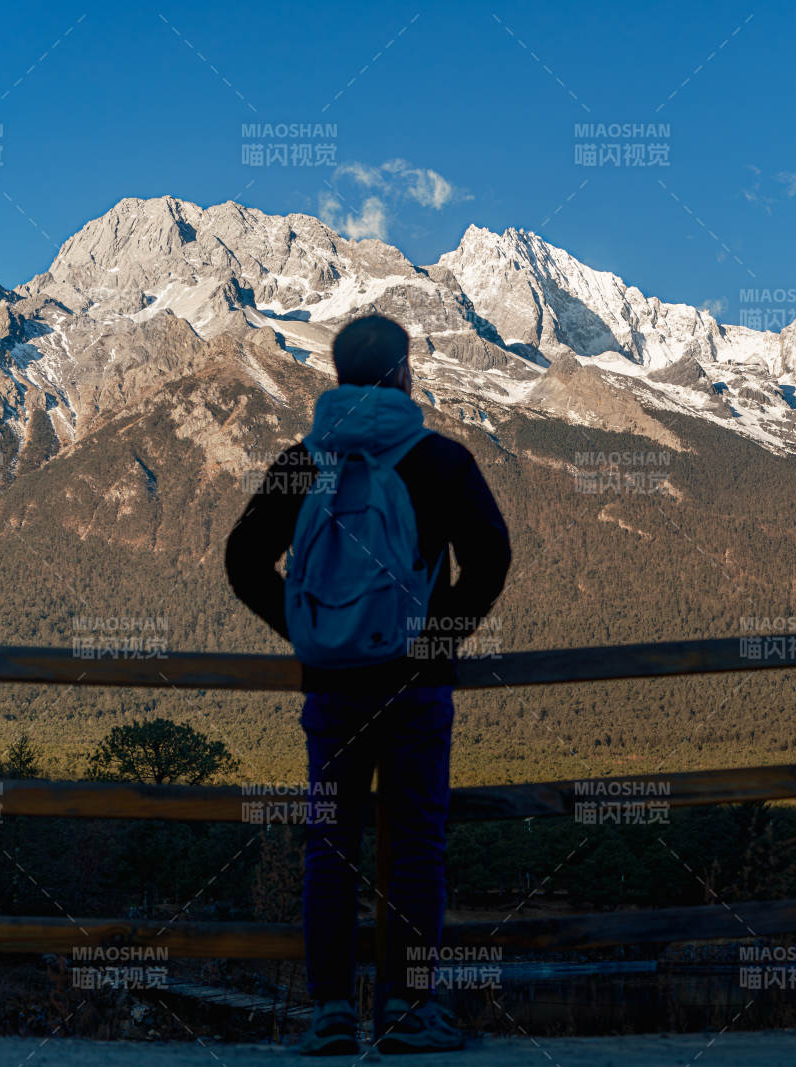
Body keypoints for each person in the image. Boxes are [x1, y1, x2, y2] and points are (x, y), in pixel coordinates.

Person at [225, 314, 512, 1055]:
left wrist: (312, 635)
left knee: (329, 845)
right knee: (416, 841)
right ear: (403, 374)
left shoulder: (304, 459)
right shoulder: (440, 458)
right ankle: (409, 1011)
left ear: (337, 375)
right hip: (415, 694)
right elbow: (490, 557)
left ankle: (329, 1014)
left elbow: (243, 559)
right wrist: (432, 640)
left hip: (332, 691)